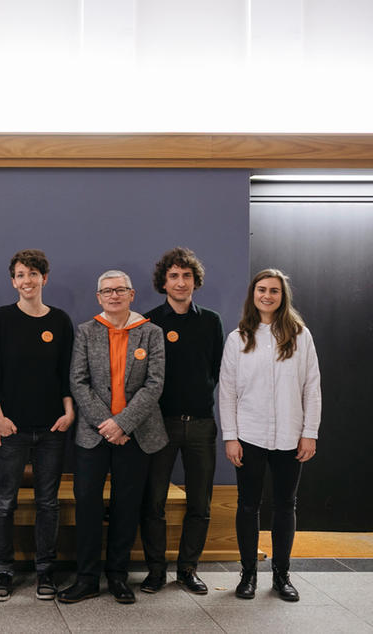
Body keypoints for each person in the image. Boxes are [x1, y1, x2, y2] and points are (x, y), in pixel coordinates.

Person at [59, 270, 166, 605]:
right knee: (88, 505)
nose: (114, 295)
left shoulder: (151, 332)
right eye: (107, 291)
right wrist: (108, 424)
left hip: (137, 436)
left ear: (132, 295)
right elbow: (78, 382)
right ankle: (87, 578)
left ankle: (118, 576)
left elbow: (154, 385)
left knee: (127, 506)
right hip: (94, 435)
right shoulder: (86, 331)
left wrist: (124, 424)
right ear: (99, 297)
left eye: (121, 290)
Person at [219, 269, 320, 602]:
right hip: (249, 434)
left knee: (285, 505)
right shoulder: (238, 338)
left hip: (291, 436)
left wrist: (309, 433)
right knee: (248, 505)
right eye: (261, 289)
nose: (267, 295)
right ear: (253, 294)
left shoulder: (300, 336)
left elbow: (312, 388)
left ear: (282, 296)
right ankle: (248, 574)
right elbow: (228, 391)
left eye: (274, 291)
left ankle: (281, 575)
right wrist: (230, 436)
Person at [0, 250, 74, 601]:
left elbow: (66, 373)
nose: (27, 281)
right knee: (4, 501)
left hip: (52, 427)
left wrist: (69, 412)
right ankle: (3, 571)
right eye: (20, 275)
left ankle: (45, 571)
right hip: (10, 427)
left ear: (44, 278)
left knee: (47, 502)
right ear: (13, 281)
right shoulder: (1, 319)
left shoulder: (60, 321)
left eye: (33, 274)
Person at [139, 248, 223, 595]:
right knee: (153, 501)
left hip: (201, 424)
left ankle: (188, 569)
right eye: (173, 276)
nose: (180, 282)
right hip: (159, 424)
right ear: (164, 282)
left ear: (195, 281)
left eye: (186, 276)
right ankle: (156, 570)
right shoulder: (148, 322)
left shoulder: (211, 321)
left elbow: (218, 371)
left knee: (200, 504)